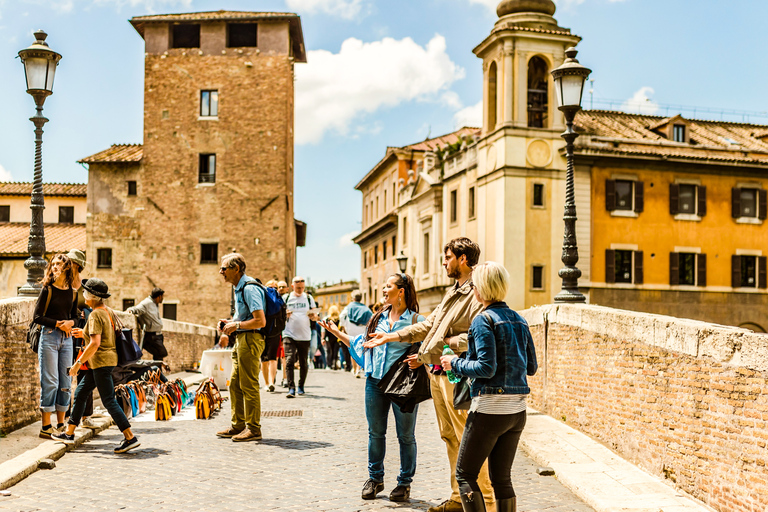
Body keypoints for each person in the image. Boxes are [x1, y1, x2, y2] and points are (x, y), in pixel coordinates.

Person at [365, 238, 494, 512]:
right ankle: (459, 498)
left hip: (457, 375)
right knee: (449, 437)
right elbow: (427, 325)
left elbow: (479, 334)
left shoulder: (477, 292)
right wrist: (390, 336)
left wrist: (447, 343)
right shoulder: (452, 292)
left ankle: (484, 502)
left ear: (462, 259)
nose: (443, 262)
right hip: (437, 373)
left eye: (447, 257)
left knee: (467, 440)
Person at [440, 262, 537, 512]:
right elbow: (532, 367)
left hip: (489, 410)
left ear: (480, 288)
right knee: (502, 479)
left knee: (465, 475)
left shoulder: (483, 320)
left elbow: (486, 368)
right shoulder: (520, 320)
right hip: (517, 412)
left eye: (474, 286)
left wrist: (455, 363)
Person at [321, 273, 425, 503]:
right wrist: (337, 333)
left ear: (401, 291)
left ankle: (404, 483)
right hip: (374, 384)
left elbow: (434, 344)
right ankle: (375, 479)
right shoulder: (378, 318)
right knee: (375, 433)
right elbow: (362, 344)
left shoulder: (417, 320)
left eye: (388, 286)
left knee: (406, 436)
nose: (383, 290)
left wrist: (422, 358)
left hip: (402, 386)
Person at [52, 278, 140, 454]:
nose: (83, 294)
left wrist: (78, 364)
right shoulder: (107, 311)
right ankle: (69, 433)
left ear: (91, 295)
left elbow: (95, 343)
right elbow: (102, 336)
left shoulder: (94, 315)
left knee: (108, 400)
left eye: (85, 292)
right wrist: (83, 332)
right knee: (81, 392)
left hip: (100, 363)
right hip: (104, 362)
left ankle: (130, 437)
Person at [216, 253, 266, 442]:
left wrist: (236, 326)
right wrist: (229, 323)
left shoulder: (249, 288)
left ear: (236, 269)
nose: (221, 272)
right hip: (242, 340)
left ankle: (253, 429)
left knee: (249, 384)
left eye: (224, 268)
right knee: (235, 384)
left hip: (251, 340)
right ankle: (238, 425)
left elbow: (260, 321)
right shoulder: (239, 288)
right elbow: (244, 318)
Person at [34, 253, 78, 439]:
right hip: (50, 337)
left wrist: (71, 323)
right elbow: (37, 317)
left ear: (66, 268)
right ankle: (46, 427)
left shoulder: (73, 292)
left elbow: (76, 316)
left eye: (59, 264)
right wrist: (59, 323)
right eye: (53, 264)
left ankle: (61, 424)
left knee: (65, 382)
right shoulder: (47, 289)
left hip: (67, 340)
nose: (55, 267)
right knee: (50, 381)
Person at [65, 249, 97, 428]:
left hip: (83, 335)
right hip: (69, 335)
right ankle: (68, 414)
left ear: (76, 265)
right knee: (67, 375)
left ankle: (86, 416)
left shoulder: (84, 286)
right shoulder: (63, 284)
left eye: (69, 262)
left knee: (86, 374)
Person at [282, 276, 317, 398]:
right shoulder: (286, 298)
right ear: (292, 286)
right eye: (298, 288)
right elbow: (280, 314)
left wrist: (313, 316)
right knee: (289, 360)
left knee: (303, 362)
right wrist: (284, 313)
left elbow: (315, 316)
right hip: (288, 333)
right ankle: (291, 388)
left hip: (304, 335)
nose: (300, 290)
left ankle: (301, 386)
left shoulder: (308, 298)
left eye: (302, 287)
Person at [127, 288, 167, 361]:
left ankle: (158, 371)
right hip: (152, 335)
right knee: (162, 353)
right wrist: (130, 310)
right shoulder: (146, 303)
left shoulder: (155, 304)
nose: (162, 299)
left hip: (158, 334)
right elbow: (137, 308)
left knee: (159, 358)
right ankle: (144, 344)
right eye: (162, 297)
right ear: (158, 296)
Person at [340, 290, 372, 376]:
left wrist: (344, 326)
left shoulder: (349, 307)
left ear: (353, 298)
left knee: (352, 348)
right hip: (362, 329)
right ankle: (358, 368)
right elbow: (371, 318)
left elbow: (342, 316)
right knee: (361, 349)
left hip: (351, 329)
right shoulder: (366, 308)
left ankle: (354, 369)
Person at [260, 280, 281, 392]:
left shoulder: (262, 297)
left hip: (263, 330)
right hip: (275, 331)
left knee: (265, 358)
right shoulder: (279, 299)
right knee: (272, 358)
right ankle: (271, 382)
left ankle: (267, 383)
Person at [277, 280, 290, 387]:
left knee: (284, 356)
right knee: (273, 357)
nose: (281, 288)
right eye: (279, 286)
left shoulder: (290, 299)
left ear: (287, 288)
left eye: (283, 287)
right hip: (276, 331)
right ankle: (272, 378)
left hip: (286, 331)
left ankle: (285, 378)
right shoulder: (275, 299)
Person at [323, 305, 342, 370]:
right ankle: (334, 363)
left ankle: (329, 365)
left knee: (329, 351)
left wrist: (323, 338)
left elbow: (324, 330)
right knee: (335, 351)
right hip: (337, 337)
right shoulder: (339, 319)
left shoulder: (327, 319)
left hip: (329, 337)